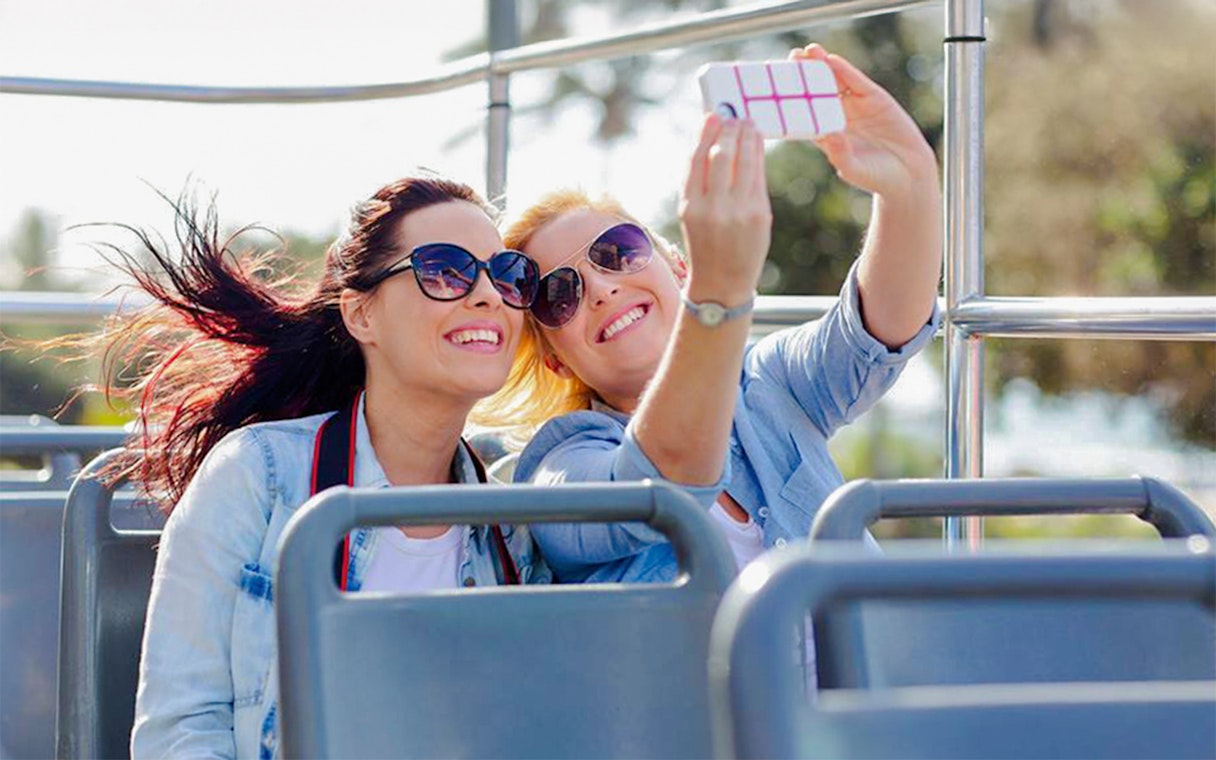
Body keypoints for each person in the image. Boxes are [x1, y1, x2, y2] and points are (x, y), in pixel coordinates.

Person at [68, 171, 550, 758]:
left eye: (507, 275)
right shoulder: (257, 476)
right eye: (445, 270)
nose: (487, 295)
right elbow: (181, 730)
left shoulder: (513, 520)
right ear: (361, 315)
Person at [486, 44, 943, 583]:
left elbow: (877, 329)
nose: (601, 288)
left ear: (677, 267)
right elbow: (665, 479)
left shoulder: (767, 384)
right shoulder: (559, 465)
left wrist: (908, 180)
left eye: (617, 252)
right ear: (556, 361)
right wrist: (719, 293)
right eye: (559, 294)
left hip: (873, 667)